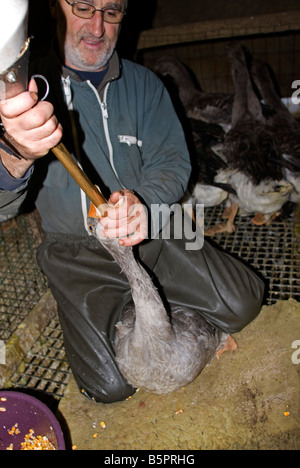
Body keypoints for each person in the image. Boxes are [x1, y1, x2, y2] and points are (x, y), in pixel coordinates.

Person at [0, 0, 264, 403]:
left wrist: (146, 204)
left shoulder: (146, 85)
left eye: (112, 11)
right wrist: (15, 153)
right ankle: (145, 311)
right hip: (76, 250)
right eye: (84, 7)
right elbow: (5, 207)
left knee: (244, 302)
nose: (97, 26)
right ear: (56, 8)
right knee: (109, 386)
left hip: (156, 227)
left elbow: (174, 163)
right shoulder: (23, 96)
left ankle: (158, 309)